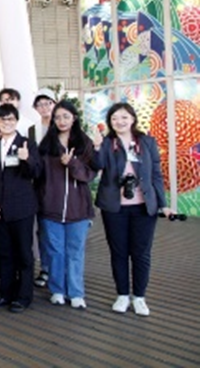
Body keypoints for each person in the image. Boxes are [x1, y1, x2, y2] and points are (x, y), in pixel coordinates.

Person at [91, 102, 172, 317]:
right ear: (110, 122)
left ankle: (139, 297)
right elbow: (97, 166)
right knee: (118, 252)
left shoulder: (146, 142)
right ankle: (122, 294)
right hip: (114, 207)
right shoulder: (108, 143)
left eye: (124, 117)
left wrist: (162, 204)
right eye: (115, 118)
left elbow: (156, 174)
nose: (120, 121)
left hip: (144, 207)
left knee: (141, 253)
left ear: (133, 119)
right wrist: (97, 147)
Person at [0, 104, 41, 313]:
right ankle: (5, 293)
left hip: (22, 209)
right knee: (3, 253)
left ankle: (23, 297)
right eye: (2, 120)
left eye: (10, 120)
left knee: (24, 254)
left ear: (16, 122)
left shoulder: (27, 144)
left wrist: (27, 159)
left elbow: (36, 172)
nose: (7, 123)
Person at [38, 100, 96, 309]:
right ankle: (57, 290)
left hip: (78, 209)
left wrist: (71, 163)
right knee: (54, 251)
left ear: (74, 118)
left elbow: (89, 174)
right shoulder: (46, 144)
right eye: (57, 117)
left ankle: (76, 291)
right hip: (50, 208)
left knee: (75, 251)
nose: (61, 121)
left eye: (66, 116)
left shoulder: (84, 143)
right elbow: (39, 175)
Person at [29, 88, 57, 289]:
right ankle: (46, 268)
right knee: (43, 229)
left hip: (60, 187)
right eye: (40, 104)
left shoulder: (64, 127)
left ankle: (59, 270)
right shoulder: (32, 130)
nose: (44, 107)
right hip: (39, 186)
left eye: (48, 103)